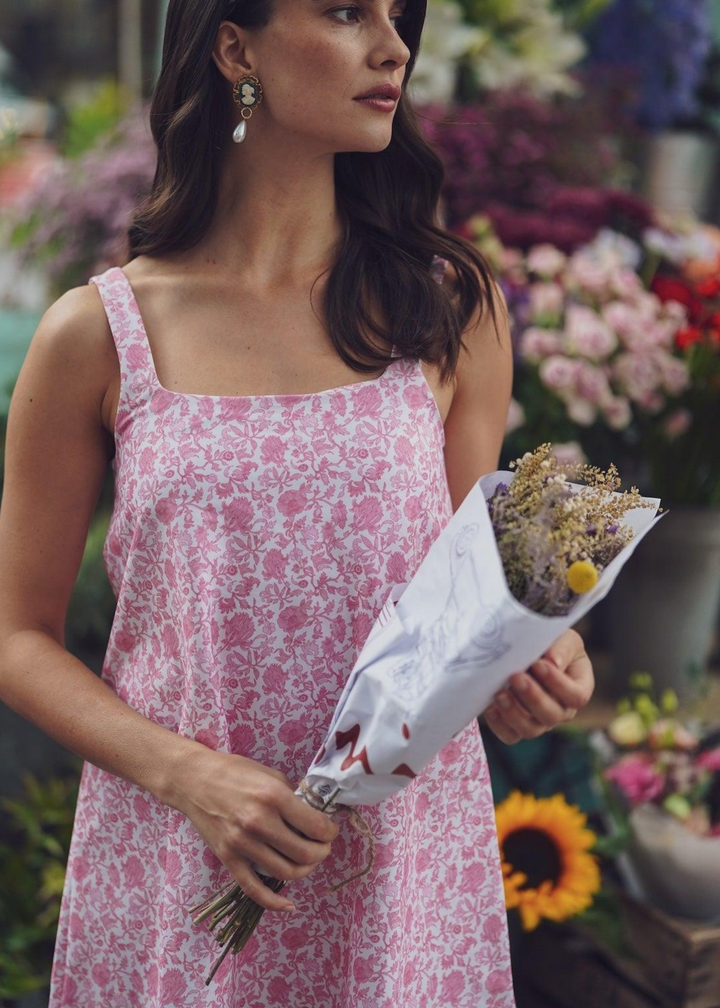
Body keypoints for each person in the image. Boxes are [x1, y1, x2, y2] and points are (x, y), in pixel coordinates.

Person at [0, 0, 595, 1005]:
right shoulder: (98, 334)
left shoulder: (448, 308)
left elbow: (468, 598)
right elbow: (17, 637)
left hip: (398, 874)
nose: (393, 46)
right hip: (182, 861)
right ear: (235, 46)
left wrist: (534, 660)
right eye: (346, 12)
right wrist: (189, 777)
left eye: (398, 16)